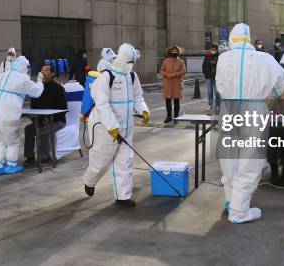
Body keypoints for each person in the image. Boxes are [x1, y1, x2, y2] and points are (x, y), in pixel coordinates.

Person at [216, 23, 284, 223]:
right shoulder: (265, 58)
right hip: (255, 108)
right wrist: (268, 97)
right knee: (250, 159)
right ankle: (239, 212)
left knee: (229, 156)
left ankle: (231, 201)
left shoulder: (223, 58)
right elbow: (280, 82)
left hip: (229, 109)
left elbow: (219, 85)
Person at [83, 43, 149, 207]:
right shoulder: (106, 76)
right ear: (120, 59)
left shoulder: (132, 76)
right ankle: (89, 181)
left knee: (125, 161)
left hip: (126, 128)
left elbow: (138, 96)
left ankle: (123, 196)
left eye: (132, 62)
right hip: (105, 127)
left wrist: (143, 111)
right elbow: (102, 104)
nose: (130, 65)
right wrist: (112, 127)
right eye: (128, 61)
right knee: (100, 162)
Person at [0, 56, 44, 176]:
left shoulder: (0, 76)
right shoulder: (22, 78)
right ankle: (11, 164)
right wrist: (40, 81)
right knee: (12, 141)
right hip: (7, 111)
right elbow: (36, 92)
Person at [24, 64, 68, 165]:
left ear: (52, 74)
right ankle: (30, 157)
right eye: (42, 70)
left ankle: (45, 157)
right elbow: (33, 107)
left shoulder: (58, 89)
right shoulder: (37, 88)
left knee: (43, 129)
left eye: (46, 70)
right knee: (29, 129)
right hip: (40, 120)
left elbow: (63, 109)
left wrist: (49, 119)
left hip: (57, 120)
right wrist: (37, 120)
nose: (43, 72)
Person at [160, 45, 186, 123]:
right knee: (168, 101)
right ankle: (169, 117)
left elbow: (183, 71)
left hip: (176, 83)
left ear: (178, 53)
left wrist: (174, 74)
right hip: (167, 83)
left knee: (176, 101)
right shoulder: (166, 61)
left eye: (176, 52)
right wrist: (167, 74)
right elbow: (161, 70)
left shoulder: (181, 62)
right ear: (170, 52)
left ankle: (176, 117)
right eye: (172, 52)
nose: (174, 53)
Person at [202, 44, 220, 112]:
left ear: (216, 49)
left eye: (214, 49)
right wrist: (205, 73)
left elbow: (221, 65)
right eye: (212, 48)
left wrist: (215, 63)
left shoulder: (219, 56)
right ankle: (210, 105)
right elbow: (204, 65)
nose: (213, 50)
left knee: (217, 92)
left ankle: (218, 105)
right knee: (209, 92)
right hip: (208, 76)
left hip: (216, 77)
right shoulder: (207, 55)